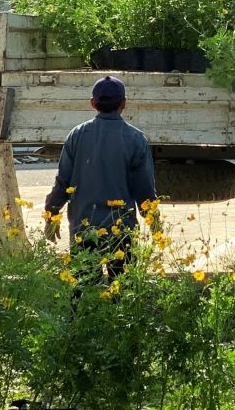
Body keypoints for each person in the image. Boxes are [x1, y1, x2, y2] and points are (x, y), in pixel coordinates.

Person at [42, 75, 158, 280]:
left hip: (84, 229)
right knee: (123, 291)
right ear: (124, 103)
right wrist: (155, 221)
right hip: (121, 230)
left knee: (84, 292)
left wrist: (52, 215)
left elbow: (63, 182)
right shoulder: (136, 139)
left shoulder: (77, 135)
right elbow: (145, 189)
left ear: (93, 103)